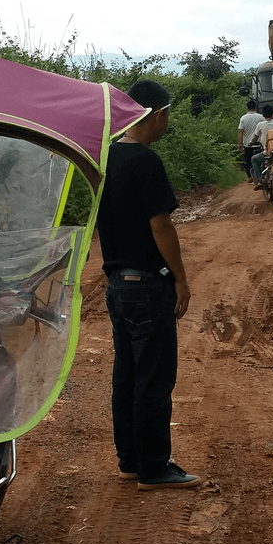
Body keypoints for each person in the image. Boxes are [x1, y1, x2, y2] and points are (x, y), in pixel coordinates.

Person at [96, 79, 201, 491]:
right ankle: (155, 467)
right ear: (157, 113)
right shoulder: (146, 162)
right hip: (147, 286)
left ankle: (131, 461)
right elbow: (161, 226)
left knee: (126, 375)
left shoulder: (105, 158)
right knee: (154, 378)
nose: (167, 122)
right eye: (168, 115)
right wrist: (181, 278)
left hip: (117, 287)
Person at [249, 105, 273, 184]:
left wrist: (251, 143)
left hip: (268, 153)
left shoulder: (260, 125)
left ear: (263, 115)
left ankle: (258, 179)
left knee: (254, 159)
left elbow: (255, 138)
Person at [237, 100, 264, 181]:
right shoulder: (261, 117)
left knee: (248, 160)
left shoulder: (243, 118)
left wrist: (240, 144)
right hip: (259, 143)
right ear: (256, 108)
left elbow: (240, 132)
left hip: (247, 144)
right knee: (259, 160)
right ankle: (260, 174)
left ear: (247, 108)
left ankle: (251, 176)